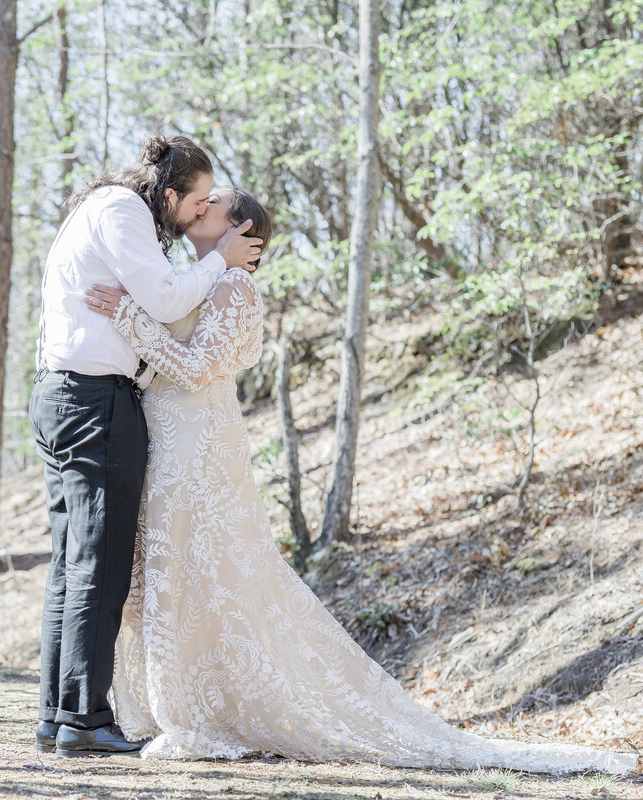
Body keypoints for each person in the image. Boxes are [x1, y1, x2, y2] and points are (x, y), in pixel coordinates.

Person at [84, 188, 637, 774]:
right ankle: (181, 701)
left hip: (200, 449)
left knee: (207, 570)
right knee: (177, 574)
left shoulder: (235, 286)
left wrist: (128, 318)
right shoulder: (195, 278)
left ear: (240, 229)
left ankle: (206, 711)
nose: (201, 207)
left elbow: (197, 369)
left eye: (214, 203)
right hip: (167, 443)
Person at [30, 137, 265, 759]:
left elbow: (173, 326)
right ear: (167, 194)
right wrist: (218, 262)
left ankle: (60, 715)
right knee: (98, 564)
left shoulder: (115, 212)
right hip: (94, 401)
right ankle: (84, 717)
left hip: (70, 395)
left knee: (74, 563)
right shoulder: (123, 211)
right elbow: (163, 300)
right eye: (195, 201)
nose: (196, 212)